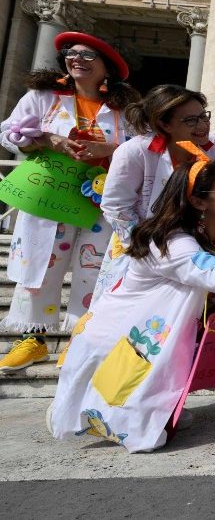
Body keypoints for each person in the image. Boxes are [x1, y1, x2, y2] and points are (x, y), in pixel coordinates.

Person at [49, 159, 215, 452]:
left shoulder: (203, 241)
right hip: (116, 344)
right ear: (198, 201)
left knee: (155, 420)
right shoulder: (173, 243)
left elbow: (212, 283)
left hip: (143, 338)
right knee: (143, 432)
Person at [0, 31, 140, 372]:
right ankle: (32, 338)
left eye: (88, 55)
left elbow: (145, 150)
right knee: (41, 262)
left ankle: (82, 339)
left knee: (94, 270)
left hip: (101, 201)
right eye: (71, 53)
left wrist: (108, 149)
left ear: (106, 68)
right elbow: (9, 132)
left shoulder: (125, 111)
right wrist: (48, 140)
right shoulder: (42, 97)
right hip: (51, 196)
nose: (76, 59)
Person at [93, 86, 215, 325]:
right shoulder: (135, 151)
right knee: (128, 322)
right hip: (140, 249)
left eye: (204, 115)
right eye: (191, 120)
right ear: (165, 124)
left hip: (190, 251)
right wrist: (145, 246)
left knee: (178, 322)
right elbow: (115, 206)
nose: (203, 125)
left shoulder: (211, 150)